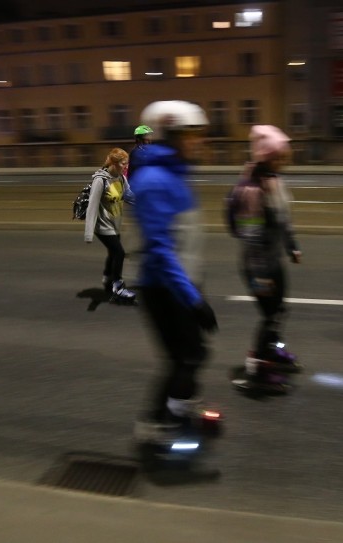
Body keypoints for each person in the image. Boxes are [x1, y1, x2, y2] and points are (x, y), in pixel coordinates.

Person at [130, 101, 218, 443]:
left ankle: (177, 409)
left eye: (200, 135)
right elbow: (160, 250)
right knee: (186, 357)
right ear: (169, 136)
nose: (199, 142)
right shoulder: (154, 180)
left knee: (189, 356)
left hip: (180, 285)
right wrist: (193, 299)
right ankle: (156, 423)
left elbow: (184, 239)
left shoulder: (174, 174)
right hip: (164, 287)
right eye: (192, 135)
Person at [227, 125, 302, 389]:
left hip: (271, 260)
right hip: (258, 264)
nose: (285, 161)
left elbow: (283, 219)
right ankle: (257, 367)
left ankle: (271, 350)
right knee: (270, 315)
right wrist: (261, 273)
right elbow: (249, 233)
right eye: (280, 157)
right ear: (266, 156)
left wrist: (291, 246)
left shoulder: (273, 181)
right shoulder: (252, 190)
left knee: (280, 310)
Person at [84, 147, 136, 303]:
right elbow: (92, 206)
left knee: (113, 253)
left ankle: (107, 278)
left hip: (115, 224)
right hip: (103, 225)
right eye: (123, 163)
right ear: (114, 163)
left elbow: (129, 196)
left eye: (127, 163)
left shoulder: (121, 178)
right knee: (119, 253)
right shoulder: (100, 180)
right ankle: (118, 289)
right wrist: (88, 232)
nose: (126, 166)